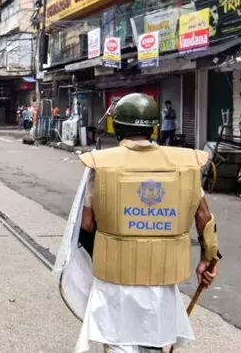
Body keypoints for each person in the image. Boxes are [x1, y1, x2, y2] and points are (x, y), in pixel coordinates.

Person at [74, 93, 220, 353]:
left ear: (117, 127)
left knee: (119, 343)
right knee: (155, 339)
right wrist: (208, 259)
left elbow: (87, 224)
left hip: (115, 277)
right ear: (153, 127)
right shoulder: (185, 164)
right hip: (162, 277)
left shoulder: (102, 165)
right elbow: (204, 217)